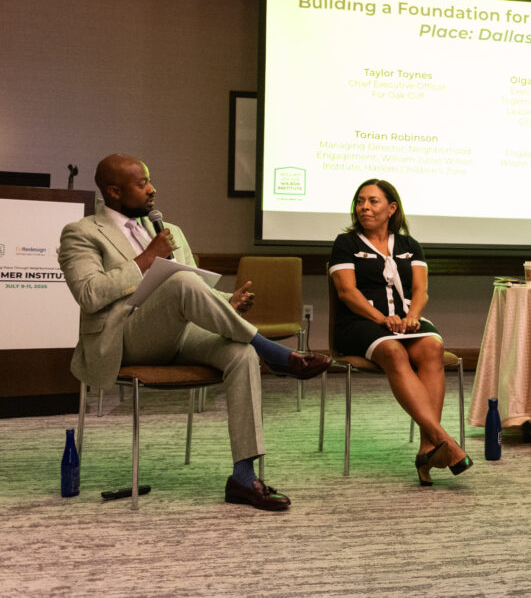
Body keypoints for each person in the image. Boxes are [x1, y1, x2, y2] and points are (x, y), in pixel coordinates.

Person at [59, 154, 332, 510]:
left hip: (177, 335)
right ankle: (276, 353)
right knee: (179, 278)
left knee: (240, 353)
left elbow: (193, 291)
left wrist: (225, 301)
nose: (152, 189)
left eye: (150, 180)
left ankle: (243, 477)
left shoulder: (168, 230)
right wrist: (146, 259)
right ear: (113, 191)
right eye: (141, 184)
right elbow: (90, 293)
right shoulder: (81, 233)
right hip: (124, 340)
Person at [329, 179, 472, 485]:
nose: (364, 207)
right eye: (360, 201)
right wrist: (382, 318)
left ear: (392, 208)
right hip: (359, 322)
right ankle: (442, 436)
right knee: (393, 351)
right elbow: (346, 293)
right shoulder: (346, 243)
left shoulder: (410, 246)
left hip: (406, 320)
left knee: (432, 347)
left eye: (373, 201)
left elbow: (421, 290)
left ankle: (427, 448)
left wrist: (412, 317)